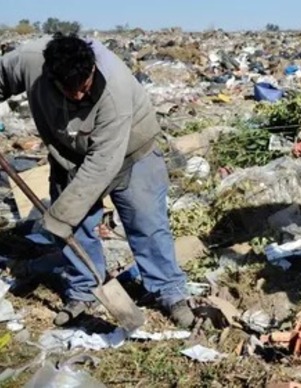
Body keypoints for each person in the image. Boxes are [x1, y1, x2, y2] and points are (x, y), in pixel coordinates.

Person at [0, 33, 194, 328]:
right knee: (75, 230)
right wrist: (65, 220)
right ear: (50, 75)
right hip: (68, 155)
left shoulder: (113, 90)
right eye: (69, 90)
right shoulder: (29, 61)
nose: (78, 97)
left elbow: (104, 163)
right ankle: (84, 289)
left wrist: (60, 215)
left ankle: (169, 291)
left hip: (131, 155)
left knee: (147, 225)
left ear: (92, 69)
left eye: (84, 88)